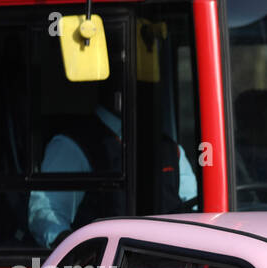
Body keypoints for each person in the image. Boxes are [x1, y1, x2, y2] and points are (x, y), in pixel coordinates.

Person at [28, 94, 198, 248]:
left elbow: (198, 211)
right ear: (116, 90)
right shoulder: (72, 145)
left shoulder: (170, 149)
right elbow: (46, 215)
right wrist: (79, 253)